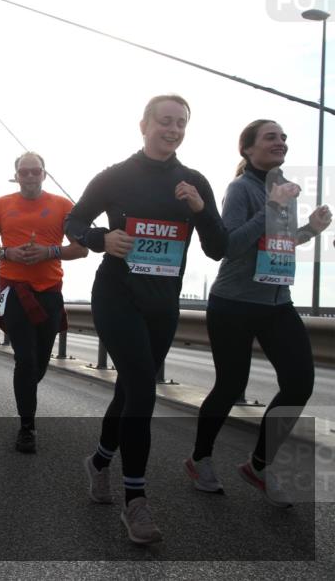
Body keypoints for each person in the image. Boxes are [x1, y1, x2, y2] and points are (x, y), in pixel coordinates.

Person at [65, 95, 227, 544]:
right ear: (144, 125)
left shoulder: (193, 183)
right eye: (165, 121)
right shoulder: (115, 176)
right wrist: (102, 237)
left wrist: (200, 209)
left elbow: (218, 247)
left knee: (130, 391)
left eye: (180, 124)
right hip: (116, 295)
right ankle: (135, 501)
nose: (172, 129)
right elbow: (73, 221)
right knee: (141, 388)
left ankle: (99, 461)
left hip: (163, 304)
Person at [186, 119, 330, 505]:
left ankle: (259, 465)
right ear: (248, 149)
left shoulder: (284, 190)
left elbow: (278, 243)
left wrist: (310, 230)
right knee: (231, 386)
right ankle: (199, 458)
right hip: (233, 302)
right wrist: (271, 207)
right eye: (271, 137)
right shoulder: (240, 189)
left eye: (283, 137)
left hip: (277, 302)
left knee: (300, 383)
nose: (281, 141)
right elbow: (231, 246)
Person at [0, 153, 88, 453]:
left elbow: (81, 249)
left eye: (35, 171)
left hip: (50, 292)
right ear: (16, 175)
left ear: (44, 174)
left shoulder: (63, 206)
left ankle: (26, 389)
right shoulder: (1, 205)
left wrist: (49, 252)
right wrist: (6, 253)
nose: (29, 176)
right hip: (14, 291)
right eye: (23, 172)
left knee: (38, 363)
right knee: (25, 359)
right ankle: (27, 427)